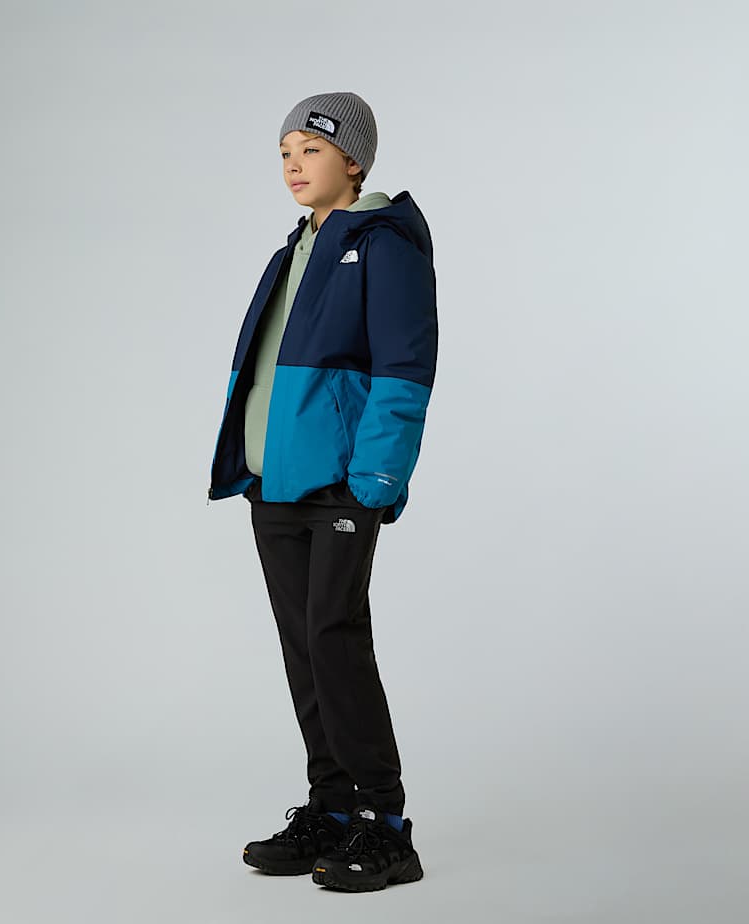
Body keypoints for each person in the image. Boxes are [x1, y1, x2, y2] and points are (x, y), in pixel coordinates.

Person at [208, 90, 438, 892]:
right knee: (305, 647)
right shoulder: (293, 251)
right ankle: (332, 807)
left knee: (335, 639)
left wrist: (377, 476)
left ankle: (385, 824)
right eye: (284, 152)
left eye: (311, 148)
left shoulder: (383, 245)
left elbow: (405, 365)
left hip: (341, 483)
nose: (293, 165)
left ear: (354, 160)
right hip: (275, 482)